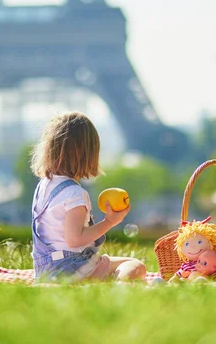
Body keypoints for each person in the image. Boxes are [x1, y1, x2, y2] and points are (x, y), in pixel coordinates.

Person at [29, 111, 147, 283]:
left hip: (45, 272)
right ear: (88, 154)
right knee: (135, 264)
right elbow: (75, 239)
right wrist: (110, 222)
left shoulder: (43, 185)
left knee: (113, 262)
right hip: (73, 270)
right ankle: (120, 286)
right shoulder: (74, 193)